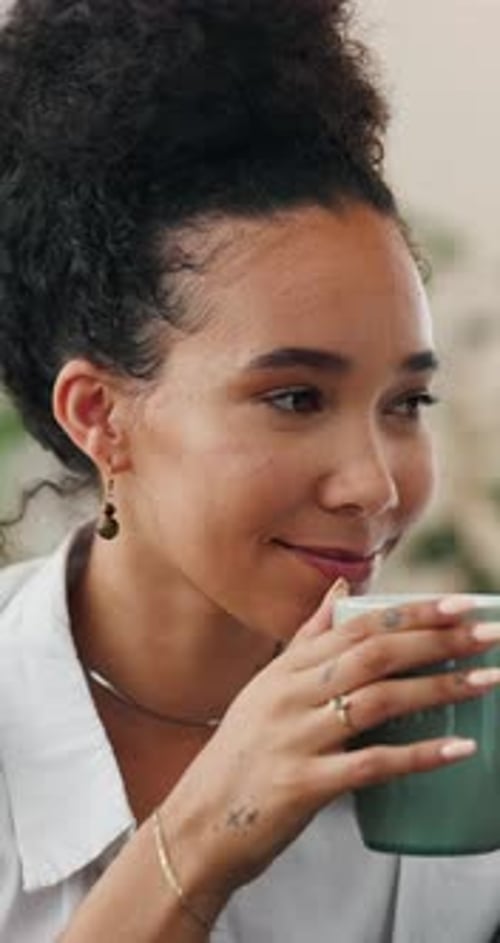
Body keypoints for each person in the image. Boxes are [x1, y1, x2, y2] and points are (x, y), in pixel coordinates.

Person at [1, 1, 500, 940]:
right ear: (100, 416)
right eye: (296, 398)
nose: (376, 485)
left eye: (406, 403)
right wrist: (200, 838)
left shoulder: (456, 732)